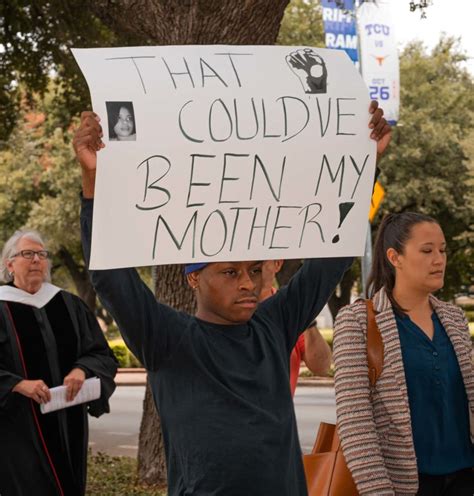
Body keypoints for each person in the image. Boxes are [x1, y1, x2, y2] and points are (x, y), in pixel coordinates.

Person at [73, 101, 391, 496]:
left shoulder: (273, 325)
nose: (248, 283)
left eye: (254, 270)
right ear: (194, 279)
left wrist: (365, 165)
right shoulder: (167, 339)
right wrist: (92, 183)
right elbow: (110, 276)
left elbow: (332, 258)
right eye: (230, 272)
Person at [333, 213, 474, 496]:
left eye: (442, 250)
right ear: (394, 257)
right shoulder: (358, 321)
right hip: (405, 485)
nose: (439, 259)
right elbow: (355, 422)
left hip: (465, 479)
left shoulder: (454, 319)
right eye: (426, 250)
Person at [0, 229, 118, 496]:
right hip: (18, 429)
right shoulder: (1, 307)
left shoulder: (70, 305)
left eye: (42, 254)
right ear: (9, 264)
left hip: (69, 424)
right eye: (27, 254)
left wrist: (82, 369)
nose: (36, 260)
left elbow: (102, 355)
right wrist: (17, 384)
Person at [260, 260, 332, 396]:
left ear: (277, 264)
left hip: (277, 416)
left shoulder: (289, 310)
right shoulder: (223, 309)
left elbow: (322, 367)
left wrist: (307, 319)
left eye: (261, 258)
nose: (254, 263)